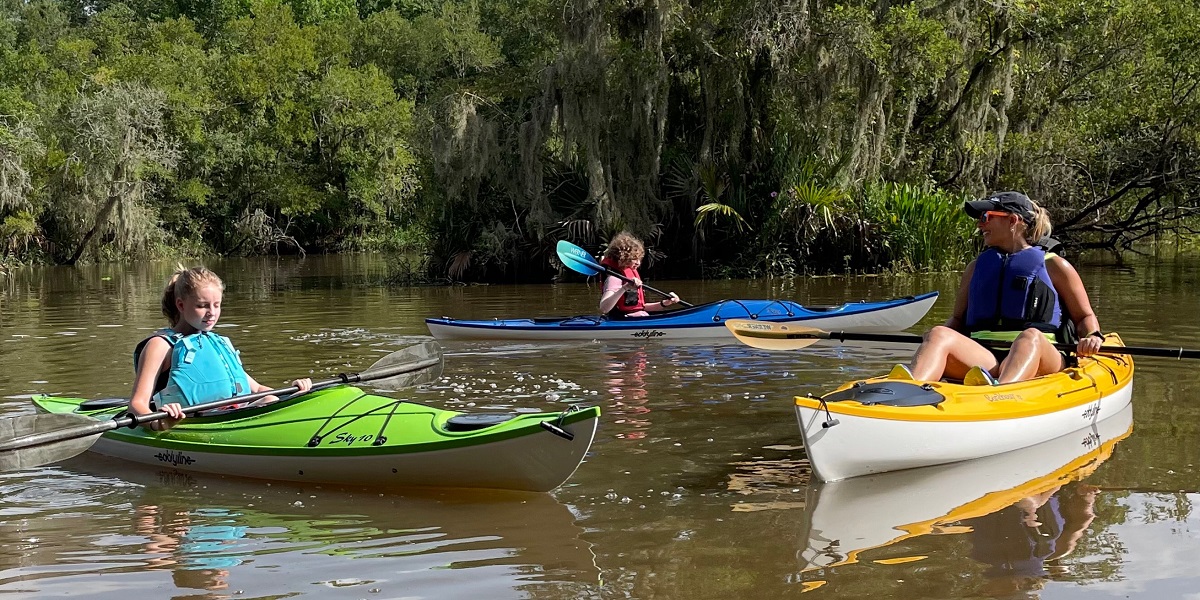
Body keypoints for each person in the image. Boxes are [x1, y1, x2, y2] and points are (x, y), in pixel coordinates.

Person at [897, 192, 1104, 385]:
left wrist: (1092, 336)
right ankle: (909, 390)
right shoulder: (975, 267)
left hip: (1040, 354)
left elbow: (1084, 317)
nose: (980, 224)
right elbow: (958, 320)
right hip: (986, 357)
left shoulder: (1054, 265)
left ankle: (1001, 395)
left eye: (986, 216)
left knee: (1029, 337)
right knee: (938, 333)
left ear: (1013, 220)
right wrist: (934, 341)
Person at [129, 266, 312, 430]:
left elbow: (256, 390)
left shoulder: (218, 343)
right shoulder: (160, 345)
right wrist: (157, 422)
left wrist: (294, 393)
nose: (212, 313)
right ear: (181, 305)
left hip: (231, 417)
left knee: (270, 399)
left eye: (217, 305)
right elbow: (137, 404)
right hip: (185, 423)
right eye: (202, 306)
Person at [597, 232, 681, 318]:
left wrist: (665, 303)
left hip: (639, 318)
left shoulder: (630, 275)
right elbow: (604, 308)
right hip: (623, 321)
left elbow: (641, 308)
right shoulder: (614, 278)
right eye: (634, 259)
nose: (638, 263)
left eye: (639, 259)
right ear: (622, 258)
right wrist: (625, 288)